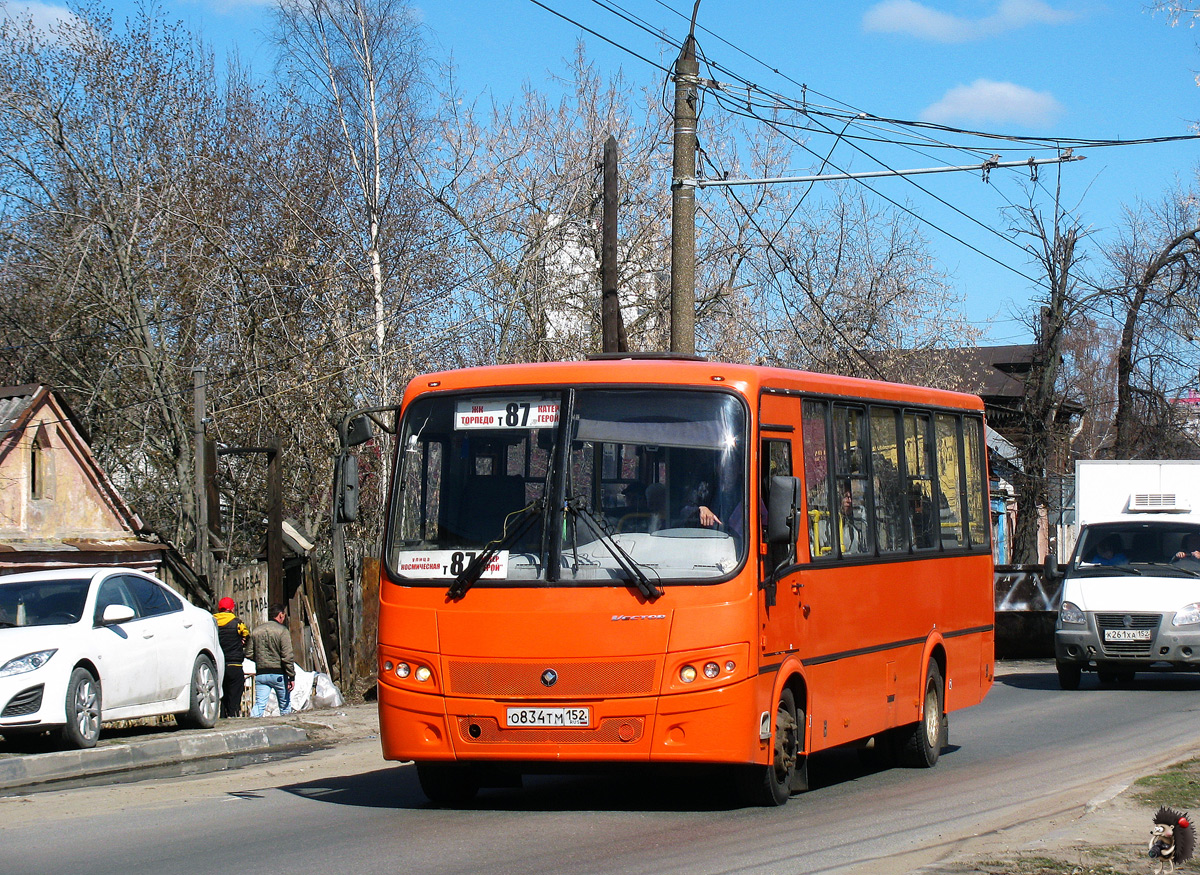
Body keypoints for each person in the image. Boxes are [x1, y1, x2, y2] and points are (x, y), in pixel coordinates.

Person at [246, 603, 295, 717]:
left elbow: (248, 653)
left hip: (261, 674)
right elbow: (287, 656)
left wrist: (260, 659)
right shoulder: (282, 631)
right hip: (279, 674)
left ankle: (251, 726)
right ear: (280, 615)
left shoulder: (256, 631)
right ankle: (287, 730)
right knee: (285, 707)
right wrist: (291, 676)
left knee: (259, 705)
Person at [212, 597, 250, 718]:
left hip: (219, 665)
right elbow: (247, 635)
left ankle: (222, 717)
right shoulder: (237, 622)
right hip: (235, 664)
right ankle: (233, 716)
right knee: (234, 695)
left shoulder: (212, 622)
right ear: (232, 608)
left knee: (222, 694)